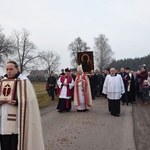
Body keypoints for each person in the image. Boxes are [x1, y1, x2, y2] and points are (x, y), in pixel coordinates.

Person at [0, 60, 45, 150]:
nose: (9, 71)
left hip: (18, 120)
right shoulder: (2, 82)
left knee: (15, 143)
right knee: (4, 143)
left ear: (17, 69)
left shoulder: (24, 82)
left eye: (11, 69)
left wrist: (17, 102)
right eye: (7, 69)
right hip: (3, 120)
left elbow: (31, 101)